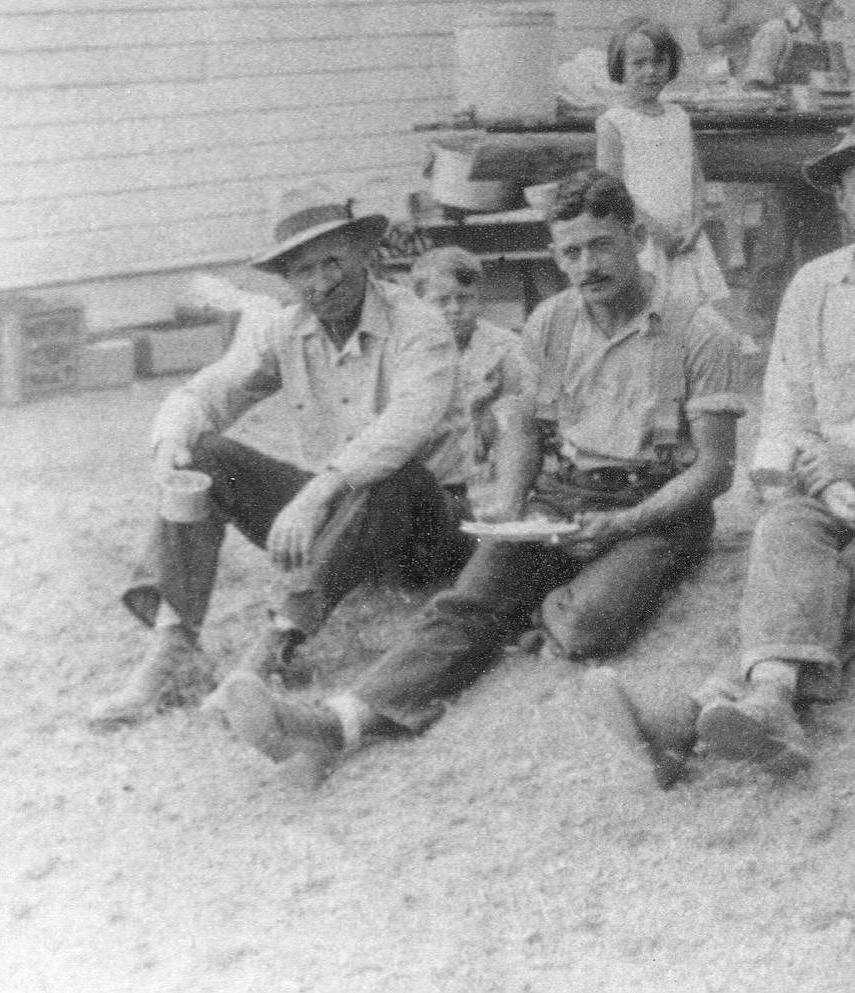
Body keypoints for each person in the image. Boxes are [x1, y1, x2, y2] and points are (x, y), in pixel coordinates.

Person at [214, 173, 749, 787]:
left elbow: (713, 469)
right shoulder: (551, 322)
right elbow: (524, 429)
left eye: (601, 246)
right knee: (463, 605)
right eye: (570, 252)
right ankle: (336, 725)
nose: (587, 265)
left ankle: (532, 615)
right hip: (564, 498)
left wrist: (626, 522)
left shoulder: (699, 331)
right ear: (555, 254)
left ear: (635, 240)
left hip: (657, 506)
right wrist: (511, 507)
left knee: (589, 625)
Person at [584, 111, 855, 784]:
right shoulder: (813, 287)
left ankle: (701, 712)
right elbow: (784, 418)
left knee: (837, 577)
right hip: (829, 485)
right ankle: (768, 708)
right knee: (783, 528)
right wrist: (812, 484)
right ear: (840, 200)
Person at [87, 184, 466, 726]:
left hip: (426, 523)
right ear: (286, 280)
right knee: (203, 454)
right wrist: (171, 442)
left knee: (389, 473)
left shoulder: (418, 326)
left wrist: (317, 492)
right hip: (336, 525)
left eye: (332, 261)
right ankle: (175, 647)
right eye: (302, 271)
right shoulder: (286, 329)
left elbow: (405, 427)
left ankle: (272, 652)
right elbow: (208, 391)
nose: (321, 283)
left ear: (364, 254)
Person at [595, 19, 726, 317]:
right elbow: (611, 190)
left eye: (658, 61)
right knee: (651, 312)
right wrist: (653, 230)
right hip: (644, 240)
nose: (650, 71)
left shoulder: (679, 116)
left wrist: (697, 221)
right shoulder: (614, 123)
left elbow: (694, 175)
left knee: (695, 315)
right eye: (639, 64)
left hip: (685, 237)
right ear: (620, 67)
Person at [405, 247, 533, 517]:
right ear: (419, 305)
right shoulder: (407, 353)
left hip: (487, 480)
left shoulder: (505, 349)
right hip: (428, 480)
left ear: (479, 299)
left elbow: (518, 426)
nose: (454, 310)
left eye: (464, 298)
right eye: (441, 301)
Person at [740, 0, 850, 93]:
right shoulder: (777, 31)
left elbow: (842, 87)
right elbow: (753, 86)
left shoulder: (830, 34)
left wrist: (833, 36)